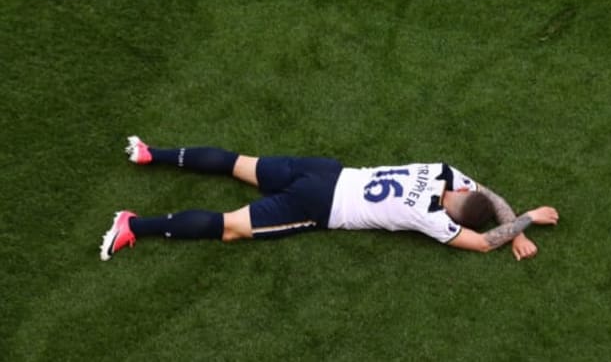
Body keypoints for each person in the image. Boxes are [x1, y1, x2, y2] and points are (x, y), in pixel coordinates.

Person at [100, 136, 559, 261]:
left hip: (322, 171)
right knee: (230, 228)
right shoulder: (433, 220)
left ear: (461, 190)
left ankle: (149, 153)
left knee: (236, 162)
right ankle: (132, 225)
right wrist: (526, 222)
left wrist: (516, 213)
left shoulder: (442, 172)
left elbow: (483, 193)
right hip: (318, 208)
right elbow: (483, 242)